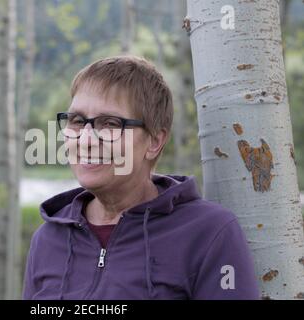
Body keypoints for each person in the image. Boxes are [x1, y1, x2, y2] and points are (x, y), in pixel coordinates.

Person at [22, 55, 259, 300]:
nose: (86, 139)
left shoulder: (209, 232)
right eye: (77, 121)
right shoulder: (48, 239)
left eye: (111, 124)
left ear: (155, 141)